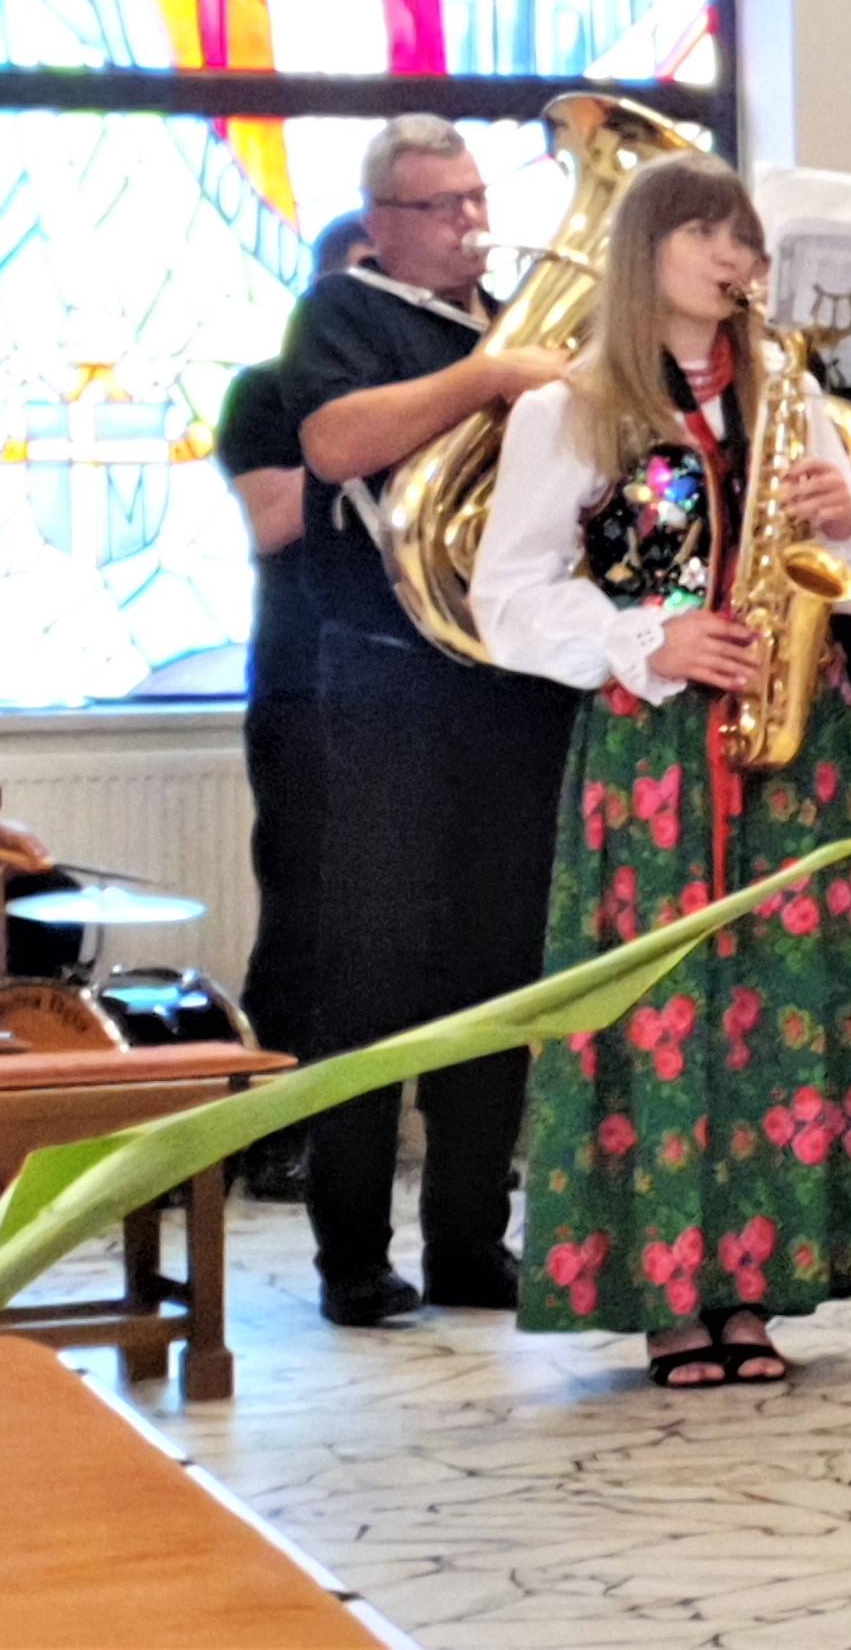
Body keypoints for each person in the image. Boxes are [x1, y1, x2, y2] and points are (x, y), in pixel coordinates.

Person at [467, 155, 851, 1386]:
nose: (733, 259)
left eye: (744, 239)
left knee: (779, 1009)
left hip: (792, 744)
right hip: (655, 747)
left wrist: (847, 519)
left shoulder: (791, 394)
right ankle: (667, 1295)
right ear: (642, 252)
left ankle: (756, 1285)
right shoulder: (571, 408)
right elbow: (508, 598)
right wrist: (647, 639)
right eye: (704, 234)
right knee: (661, 1011)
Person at [288, 117, 580, 1330]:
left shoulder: (515, 320)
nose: (472, 223)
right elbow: (332, 442)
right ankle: (352, 1249)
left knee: (498, 966)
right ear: (382, 223)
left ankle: (469, 1236)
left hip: (511, 687)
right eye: (443, 206)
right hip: (386, 686)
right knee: (372, 966)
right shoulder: (345, 314)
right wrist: (490, 380)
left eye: (476, 198)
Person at [216, 210, 373, 1204]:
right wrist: (377, 429)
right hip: (302, 684)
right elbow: (276, 521)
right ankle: (273, 1132)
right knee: (304, 914)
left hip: (412, 683)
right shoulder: (265, 392)